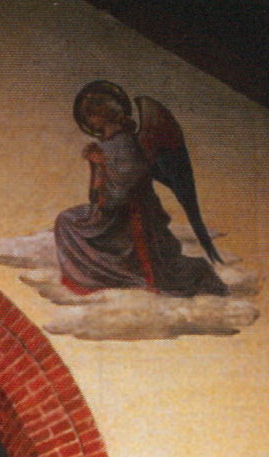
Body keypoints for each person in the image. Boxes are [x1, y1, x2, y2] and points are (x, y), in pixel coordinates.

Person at [53, 81, 228, 297]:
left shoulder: (125, 144)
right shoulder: (106, 144)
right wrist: (97, 164)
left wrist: (100, 164)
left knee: (68, 222)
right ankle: (95, 276)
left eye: (91, 114)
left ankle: (112, 275)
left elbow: (118, 194)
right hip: (111, 214)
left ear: (103, 114)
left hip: (133, 219)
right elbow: (98, 196)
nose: (89, 121)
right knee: (65, 220)